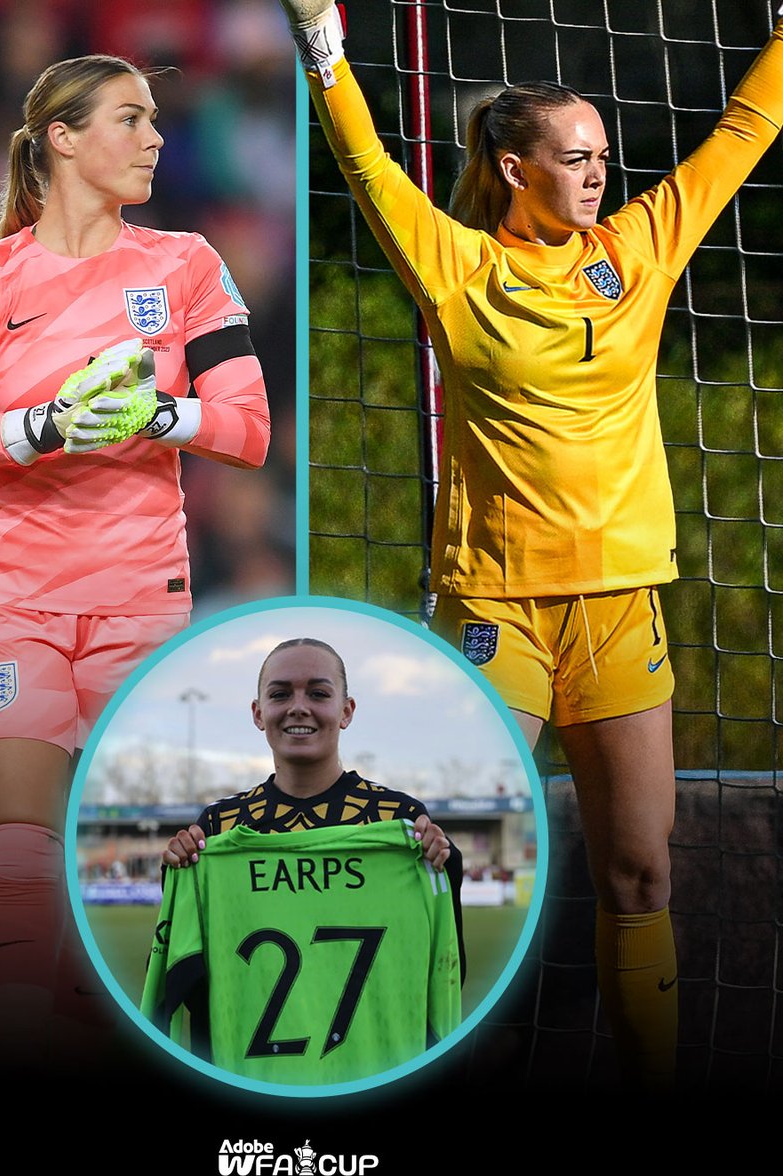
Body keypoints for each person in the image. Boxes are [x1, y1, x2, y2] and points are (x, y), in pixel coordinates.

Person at [279, 1, 783, 1087]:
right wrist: (321, 34)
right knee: (444, 867)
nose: (600, 174)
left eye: (604, 156)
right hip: (492, 615)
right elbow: (363, 159)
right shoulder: (456, 269)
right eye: (575, 157)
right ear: (513, 168)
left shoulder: (638, 252)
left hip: (617, 612)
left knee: (642, 876)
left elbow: (739, 134)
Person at [0, 53, 270, 1064]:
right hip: (11, 600)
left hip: (139, 606)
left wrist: (159, 410)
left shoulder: (189, 264)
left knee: (128, 886)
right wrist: (46, 425)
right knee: (22, 871)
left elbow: (250, 429)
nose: (156, 138)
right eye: (130, 118)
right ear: (62, 140)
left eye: (154, 119)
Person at [154, 637, 465, 1082]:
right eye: (280, 694)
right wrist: (177, 870)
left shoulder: (400, 822)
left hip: (373, 1072)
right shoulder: (219, 827)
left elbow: (446, 965)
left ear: (347, 710)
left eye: (318, 693)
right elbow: (185, 970)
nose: (298, 707)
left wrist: (444, 862)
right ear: (258, 713)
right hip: (249, 1076)